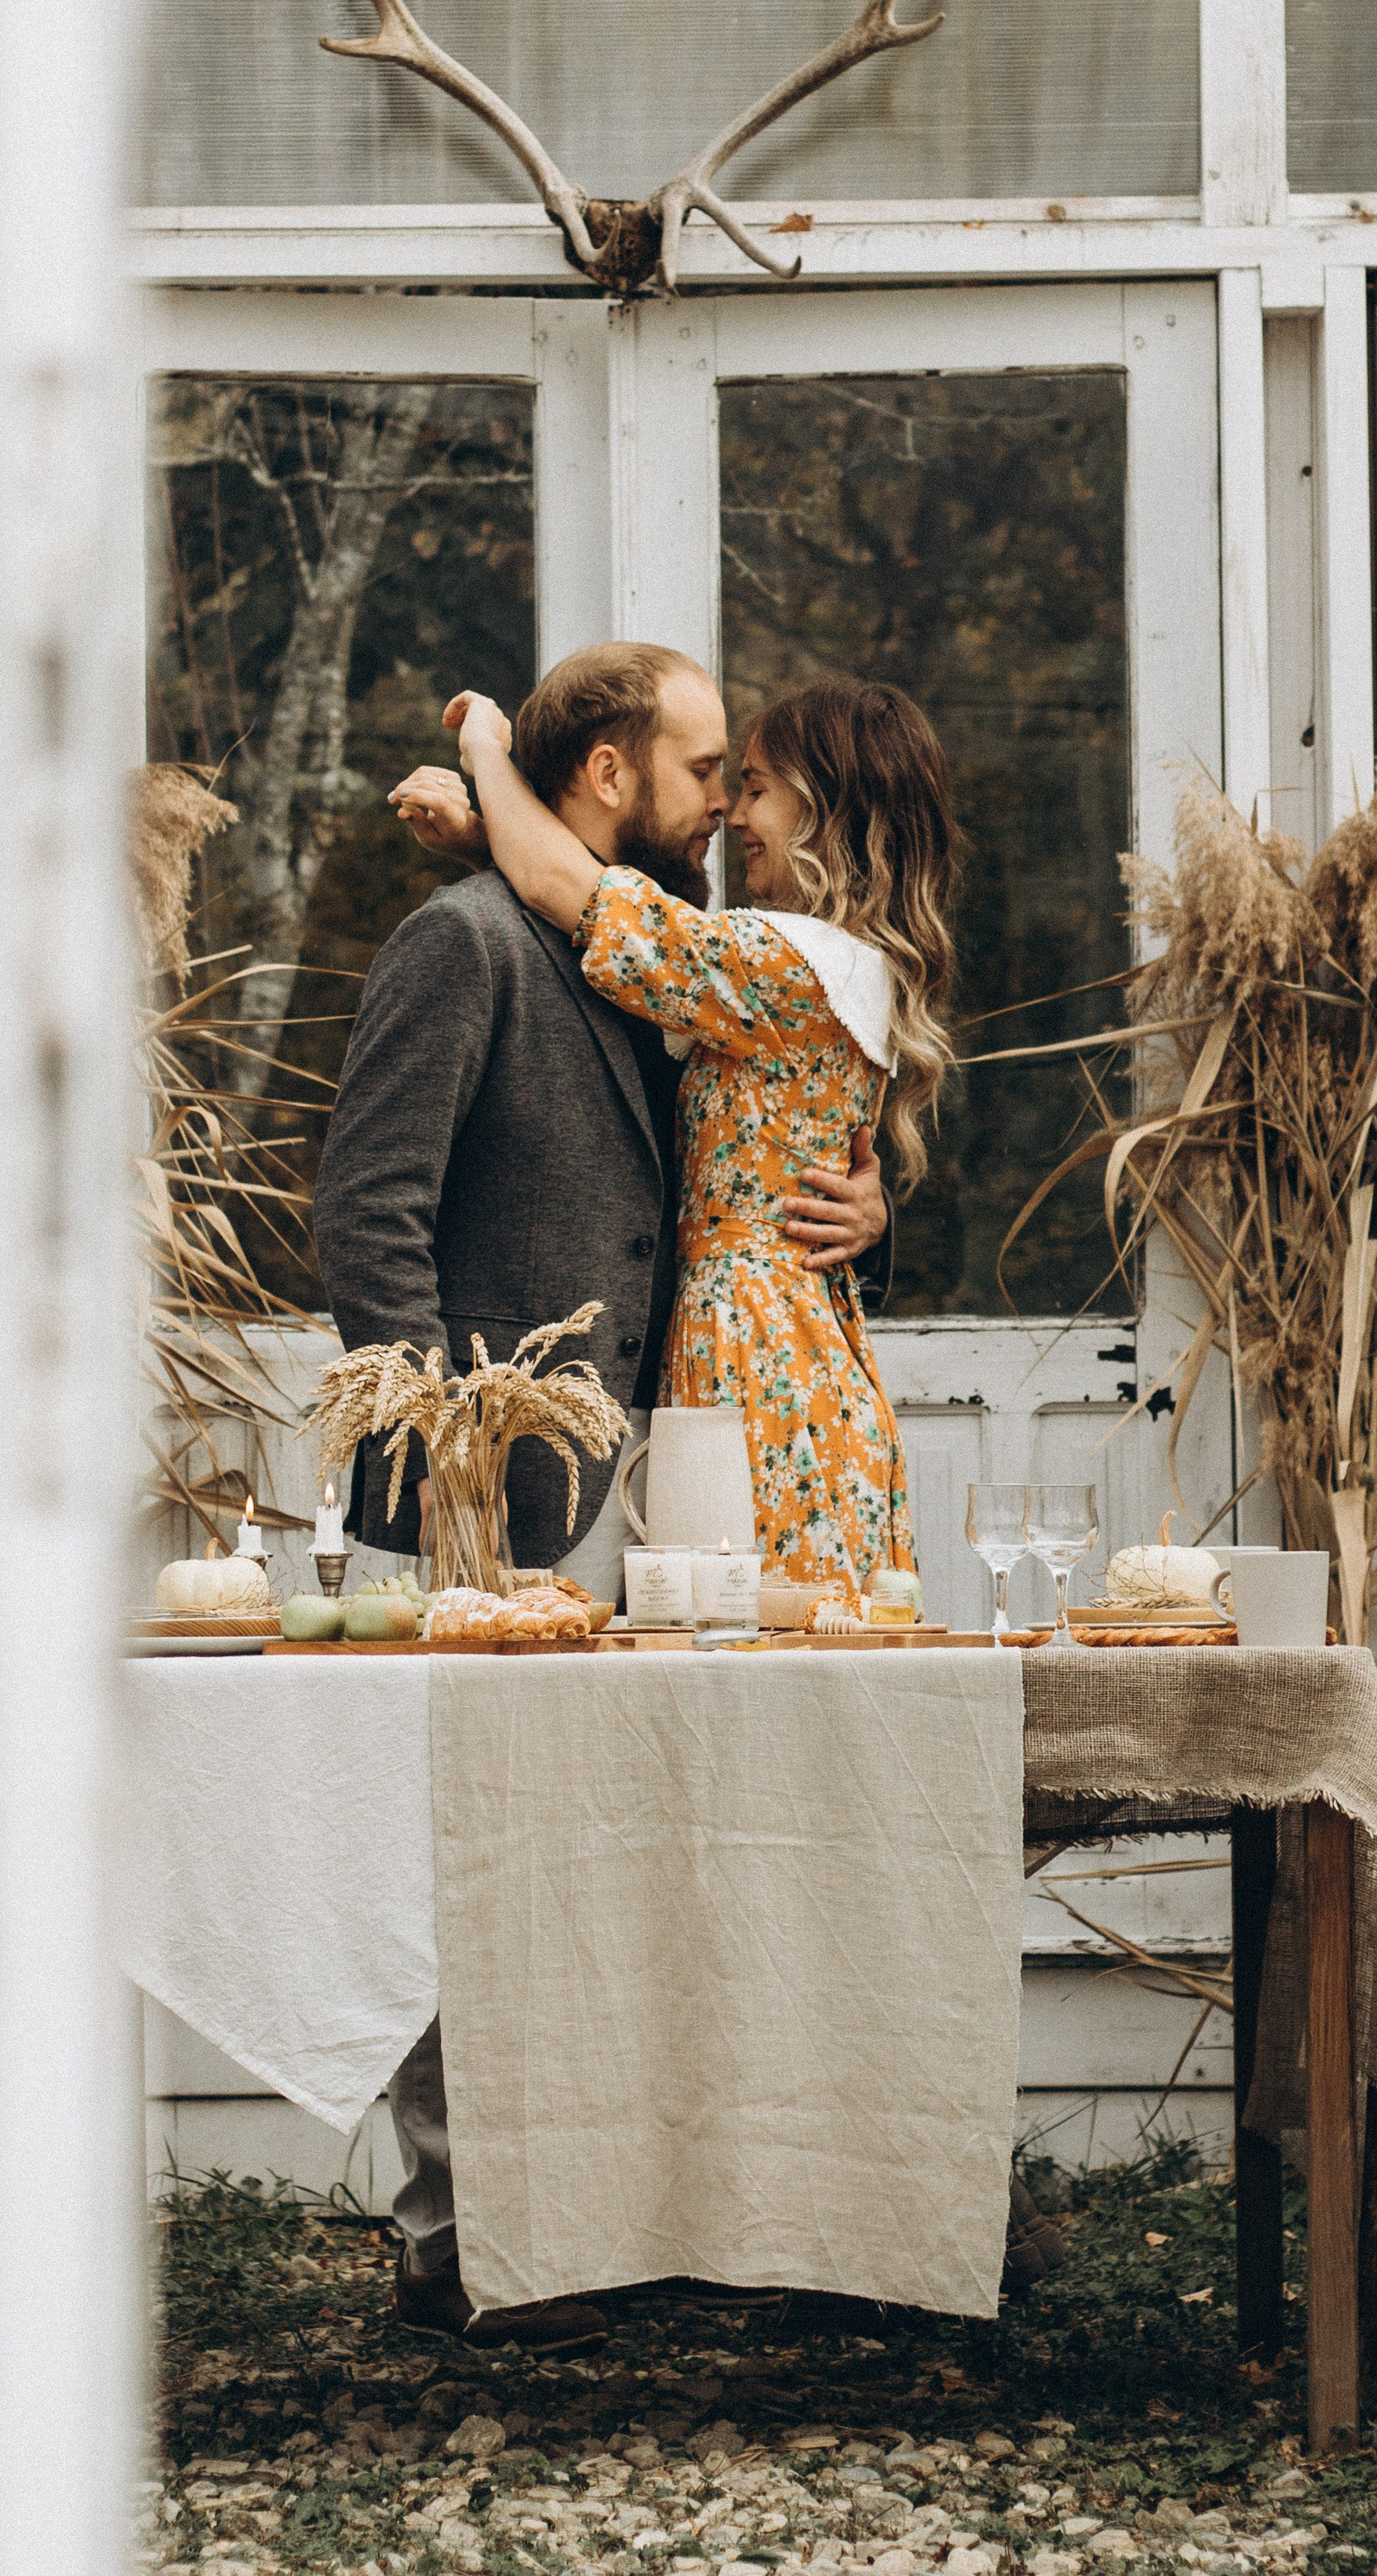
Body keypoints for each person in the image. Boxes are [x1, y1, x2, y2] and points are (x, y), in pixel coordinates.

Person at [312, 640, 888, 2349]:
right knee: (451, 1863)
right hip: (472, 1482)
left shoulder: (642, 957)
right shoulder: (466, 943)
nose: (725, 803)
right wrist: (433, 1459)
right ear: (612, 775)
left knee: (578, 1862)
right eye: (704, 770)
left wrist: (868, 1206)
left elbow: (733, 1173)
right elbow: (367, 1212)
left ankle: (591, 2212)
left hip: (640, 1478)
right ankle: (448, 2235)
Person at [448, 672, 959, 1604]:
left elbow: (569, 889)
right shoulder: (813, 968)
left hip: (758, 1356)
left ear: (830, 813)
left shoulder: (788, 963)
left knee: (748, 1628)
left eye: (757, 786)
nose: (730, 811)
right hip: (779, 1336)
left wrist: (487, 751)